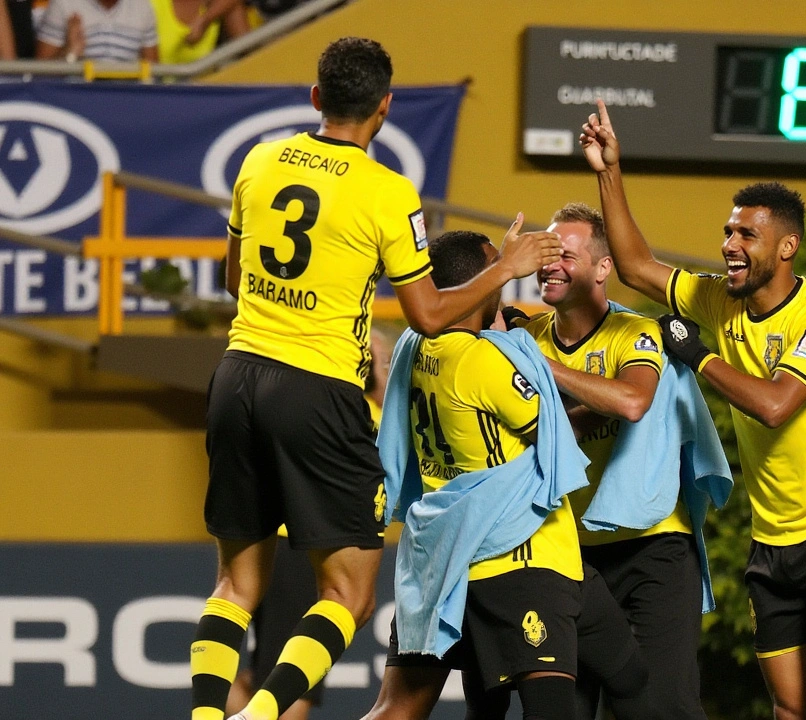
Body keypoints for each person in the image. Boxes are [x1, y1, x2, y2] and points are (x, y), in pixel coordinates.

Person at [191, 37, 560, 720]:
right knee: (350, 597)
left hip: (237, 375)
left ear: (316, 97)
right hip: (317, 392)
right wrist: (506, 268)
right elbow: (428, 312)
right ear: (384, 108)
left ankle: (208, 715)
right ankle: (262, 716)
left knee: (235, 587)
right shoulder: (389, 192)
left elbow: (234, 279)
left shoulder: (259, 160)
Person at [581, 100, 806, 720]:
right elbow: (639, 267)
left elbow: (777, 405)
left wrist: (697, 356)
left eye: (746, 234)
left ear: (786, 247)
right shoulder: (721, 299)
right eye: (728, 232)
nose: (730, 245)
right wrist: (609, 171)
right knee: (791, 709)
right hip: (772, 540)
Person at [365, 229, 645, 720]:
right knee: (564, 704)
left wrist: (495, 283)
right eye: (499, 263)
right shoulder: (484, 360)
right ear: (482, 281)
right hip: (520, 557)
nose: (510, 268)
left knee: (398, 707)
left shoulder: (413, 345)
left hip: (443, 557)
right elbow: (555, 438)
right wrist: (612, 407)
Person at [521, 202, 705, 719]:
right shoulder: (525, 340)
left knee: (659, 709)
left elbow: (632, 401)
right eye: (546, 252)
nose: (551, 263)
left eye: (566, 254)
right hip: (568, 557)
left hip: (652, 551)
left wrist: (544, 370)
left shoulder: (635, 333)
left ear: (604, 268)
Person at [224, 327, 392, 720]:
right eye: (379, 361)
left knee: (262, 679)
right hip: (306, 551)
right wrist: (382, 373)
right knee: (294, 691)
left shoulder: (301, 402)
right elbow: (391, 411)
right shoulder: (360, 414)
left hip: (276, 542)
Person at [34, 0, 158, 61]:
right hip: (75, 99)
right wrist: (71, 53)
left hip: (129, 99)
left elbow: (154, 74)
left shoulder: (143, 6)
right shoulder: (63, 4)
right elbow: (39, 78)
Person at [150, 0, 219, 64]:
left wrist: (207, 19)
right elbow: (148, 72)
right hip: (160, 73)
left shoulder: (216, 6)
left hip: (212, 75)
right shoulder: (150, 6)